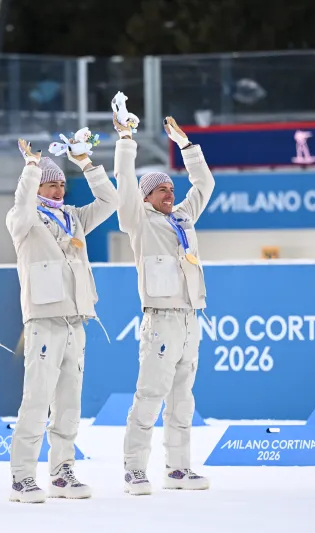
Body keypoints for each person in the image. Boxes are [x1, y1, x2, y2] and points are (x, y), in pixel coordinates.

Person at [6, 134, 117, 503]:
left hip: (76, 320)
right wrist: (31, 168)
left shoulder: (75, 218)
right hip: (43, 319)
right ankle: (22, 475)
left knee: (69, 403)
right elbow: (22, 205)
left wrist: (86, 163)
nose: (57, 191)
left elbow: (110, 200)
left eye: (61, 184)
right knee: (36, 400)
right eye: (50, 184)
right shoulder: (23, 221)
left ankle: (62, 470)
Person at [112, 103, 215, 495]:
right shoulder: (138, 220)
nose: (170, 193)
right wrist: (125, 142)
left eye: (171, 188)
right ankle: (135, 469)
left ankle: (178, 468)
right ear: (145, 197)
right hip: (160, 320)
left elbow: (204, 185)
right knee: (150, 395)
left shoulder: (184, 217)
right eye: (161, 189)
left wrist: (187, 147)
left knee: (182, 399)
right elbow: (124, 184)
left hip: (190, 319)